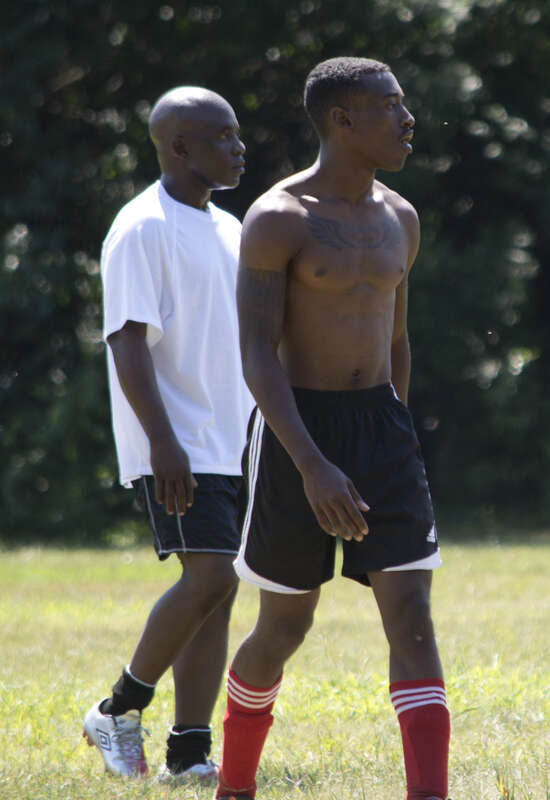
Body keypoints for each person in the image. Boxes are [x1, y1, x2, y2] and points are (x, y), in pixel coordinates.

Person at [214, 57, 450, 800]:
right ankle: (234, 786)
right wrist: (313, 464)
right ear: (342, 120)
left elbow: (398, 339)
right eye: (391, 106)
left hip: (382, 425)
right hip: (297, 432)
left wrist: (396, 431)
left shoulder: (401, 217)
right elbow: (256, 352)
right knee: (285, 625)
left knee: (412, 616)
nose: (408, 120)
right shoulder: (278, 218)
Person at [82, 85, 253, 782]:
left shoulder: (231, 228)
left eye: (237, 134)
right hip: (177, 442)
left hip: (234, 438)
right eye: (223, 137)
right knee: (210, 574)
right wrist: (162, 443)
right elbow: (126, 341)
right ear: (179, 146)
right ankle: (118, 709)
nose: (239, 148)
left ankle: (188, 754)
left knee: (220, 589)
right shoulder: (141, 227)